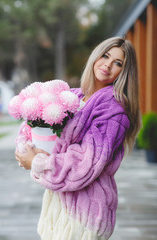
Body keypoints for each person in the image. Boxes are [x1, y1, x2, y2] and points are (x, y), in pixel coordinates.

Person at [15, 36, 141, 240]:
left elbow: (86, 163)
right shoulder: (72, 96)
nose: (108, 65)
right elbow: (31, 126)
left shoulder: (114, 111)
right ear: (95, 56)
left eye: (118, 63)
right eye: (105, 56)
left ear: (124, 72)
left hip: (84, 212)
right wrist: (24, 148)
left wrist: (37, 162)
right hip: (58, 202)